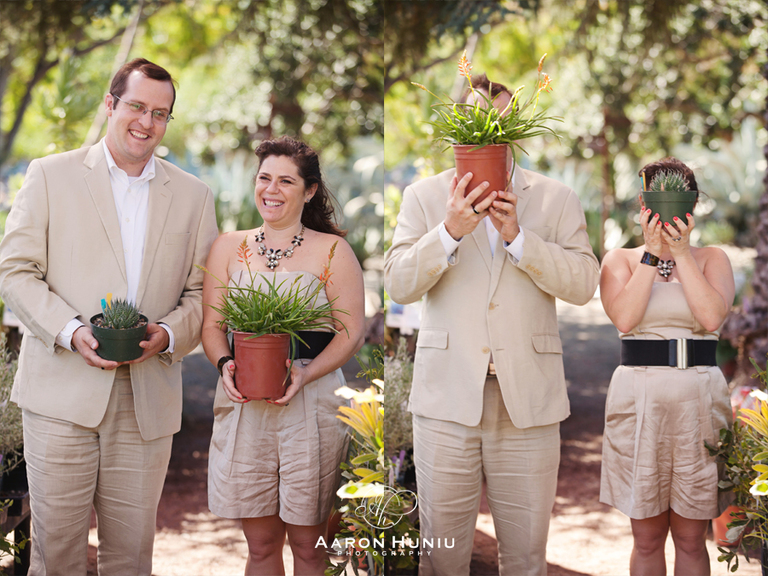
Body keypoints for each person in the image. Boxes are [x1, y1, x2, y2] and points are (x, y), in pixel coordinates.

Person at [0, 58, 219, 575]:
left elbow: (204, 292)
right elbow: (15, 271)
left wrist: (167, 334)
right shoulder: (50, 175)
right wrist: (71, 331)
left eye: (160, 113)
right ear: (110, 105)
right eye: (137, 106)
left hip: (146, 405)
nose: (146, 122)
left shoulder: (194, 195)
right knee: (57, 556)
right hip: (59, 396)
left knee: (130, 559)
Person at [384, 74, 600, 575]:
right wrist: (448, 232)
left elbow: (584, 283)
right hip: (446, 401)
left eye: (502, 118)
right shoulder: (422, 197)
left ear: (518, 127)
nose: (491, 127)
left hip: (528, 400)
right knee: (442, 557)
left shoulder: (556, 198)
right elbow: (398, 283)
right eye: (479, 116)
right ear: (458, 121)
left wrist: (521, 240)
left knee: (526, 558)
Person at [203, 136, 365, 576]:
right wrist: (225, 366)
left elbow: (351, 331)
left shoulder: (333, 251)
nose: (271, 190)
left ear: (309, 190)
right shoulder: (228, 246)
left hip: (311, 407)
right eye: (264, 178)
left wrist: (307, 372)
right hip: (245, 409)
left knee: (309, 548)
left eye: (286, 181)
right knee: (259, 547)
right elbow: (212, 327)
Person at [599, 157, 735, 575]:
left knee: (694, 540)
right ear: (642, 205)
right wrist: (653, 255)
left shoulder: (713, 258)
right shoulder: (618, 261)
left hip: (700, 400)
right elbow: (624, 318)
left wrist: (681, 255)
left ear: (691, 206)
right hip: (639, 401)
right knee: (647, 538)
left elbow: (712, 318)